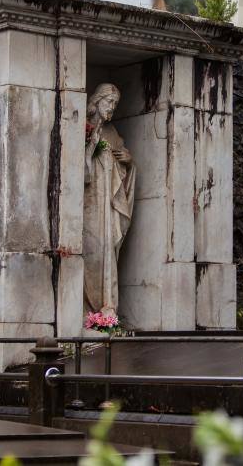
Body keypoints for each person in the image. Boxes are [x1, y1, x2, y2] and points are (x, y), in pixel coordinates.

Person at [82, 83, 136, 317]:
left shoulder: (112, 133)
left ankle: (107, 308)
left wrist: (128, 162)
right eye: (108, 102)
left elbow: (124, 172)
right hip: (90, 203)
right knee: (91, 251)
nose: (112, 107)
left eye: (115, 104)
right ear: (96, 102)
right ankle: (89, 310)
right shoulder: (84, 127)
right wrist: (90, 145)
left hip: (109, 204)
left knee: (107, 249)